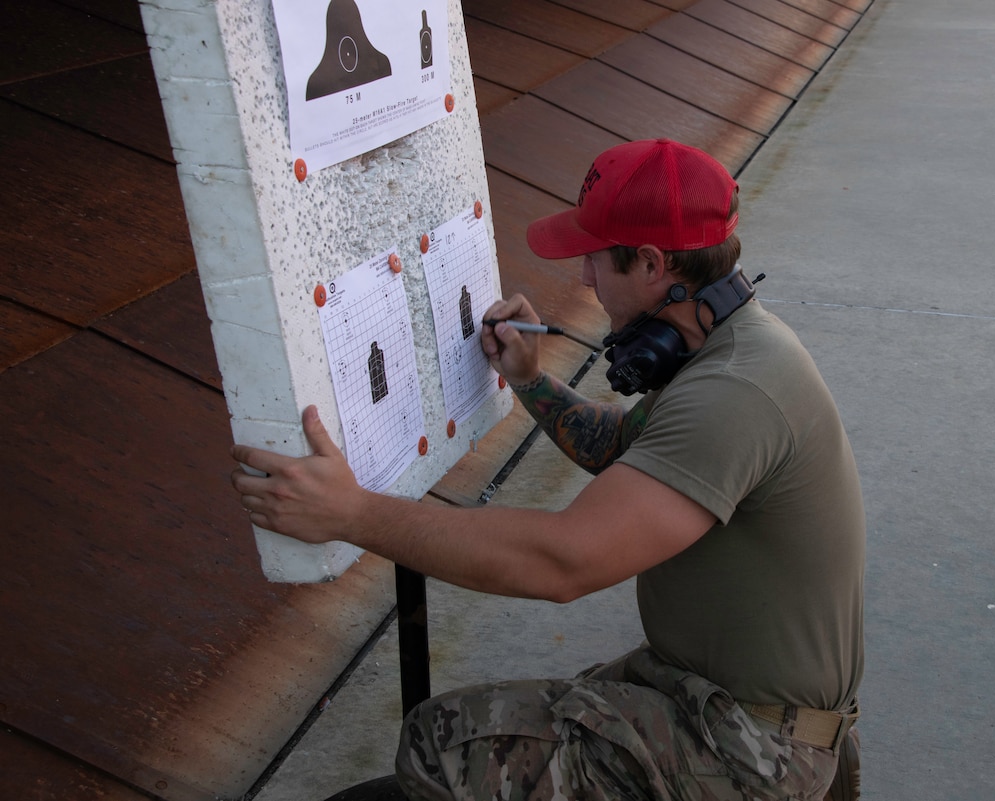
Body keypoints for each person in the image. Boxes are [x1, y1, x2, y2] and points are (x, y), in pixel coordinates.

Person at [231, 138, 865, 801]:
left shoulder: (734, 393)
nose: (586, 277)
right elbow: (621, 443)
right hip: (714, 695)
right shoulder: (726, 345)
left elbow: (564, 561)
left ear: (652, 263)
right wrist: (529, 379)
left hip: (757, 750)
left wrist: (352, 512)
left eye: (595, 257)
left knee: (441, 738)